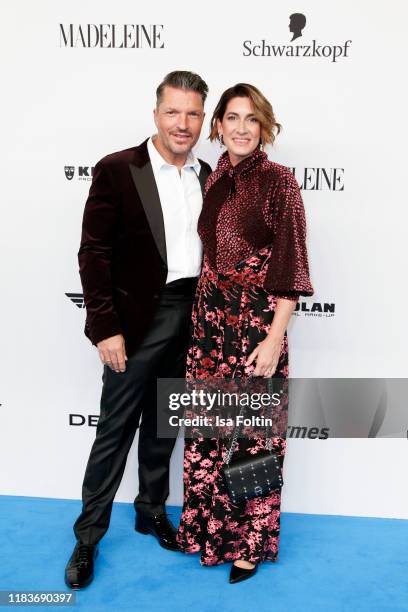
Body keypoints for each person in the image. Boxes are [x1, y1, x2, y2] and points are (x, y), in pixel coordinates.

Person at [64, 70, 212, 590]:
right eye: (173, 112)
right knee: (114, 432)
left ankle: (150, 509)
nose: (183, 123)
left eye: (193, 113)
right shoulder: (117, 170)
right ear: (155, 114)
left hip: (192, 318)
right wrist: (105, 328)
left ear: (202, 119)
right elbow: (94, 253)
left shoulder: (207, 173)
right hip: (134, 324)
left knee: (164, 426)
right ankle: (87, 538)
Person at [176, 83, 314, 583]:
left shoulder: (280, 182)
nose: (240, 128)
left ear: (264, 128)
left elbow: (291, 269)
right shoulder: (212, 180)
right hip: (209, 325)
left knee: (257, 439)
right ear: (217, 126)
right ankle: (209, 533)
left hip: (257, 326)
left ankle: (250, 543)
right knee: (208, 435)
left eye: (251, 119)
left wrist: (274, 339)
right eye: (231, 118)